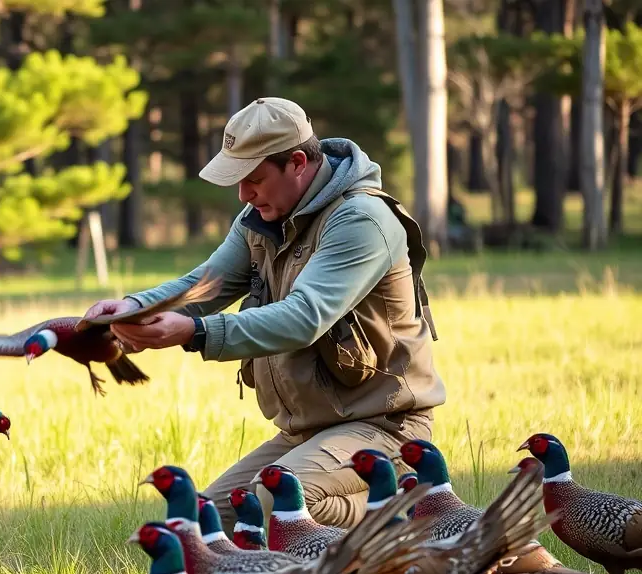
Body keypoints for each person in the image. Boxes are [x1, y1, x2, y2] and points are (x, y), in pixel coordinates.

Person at [82, 97, 447, 532]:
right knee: (200, 529)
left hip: (384, 428)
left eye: (253, 178)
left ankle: (415, 520)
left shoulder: (361, 220)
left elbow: (304, 317)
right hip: (306, 433)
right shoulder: (262, 215)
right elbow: (205, 284)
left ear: (297, 162)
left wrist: (194, 333)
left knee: (279, 503)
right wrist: (134, 308)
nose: (243, 194)